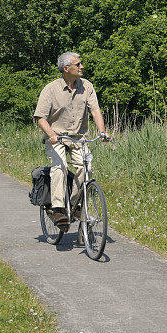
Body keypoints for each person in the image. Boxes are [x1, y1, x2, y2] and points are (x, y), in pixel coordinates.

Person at [33, 51, 109, 229]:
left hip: (79, 138)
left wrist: (102, 131)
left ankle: (74, 205)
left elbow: (95, 110)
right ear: (66, 68)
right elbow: (40, 118)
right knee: (60, 166)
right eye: (78, 64)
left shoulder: (87, 86)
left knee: (86, 167)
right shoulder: (51, 89)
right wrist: (51, 134)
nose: (82, 67)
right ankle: (58, 208)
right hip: (57, 137)